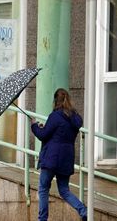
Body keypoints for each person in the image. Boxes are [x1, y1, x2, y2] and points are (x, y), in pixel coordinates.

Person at [31, 88, 87, 221]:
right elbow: (59, 134)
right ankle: (83, 211)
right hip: (66, 159)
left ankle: (42, 219)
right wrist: (46, 128)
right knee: (64, 190)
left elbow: (43, 135)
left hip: (51, 158)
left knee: (43, 188)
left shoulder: (55, 116)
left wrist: (34, 126)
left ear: (55, 100)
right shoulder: (75, 118)